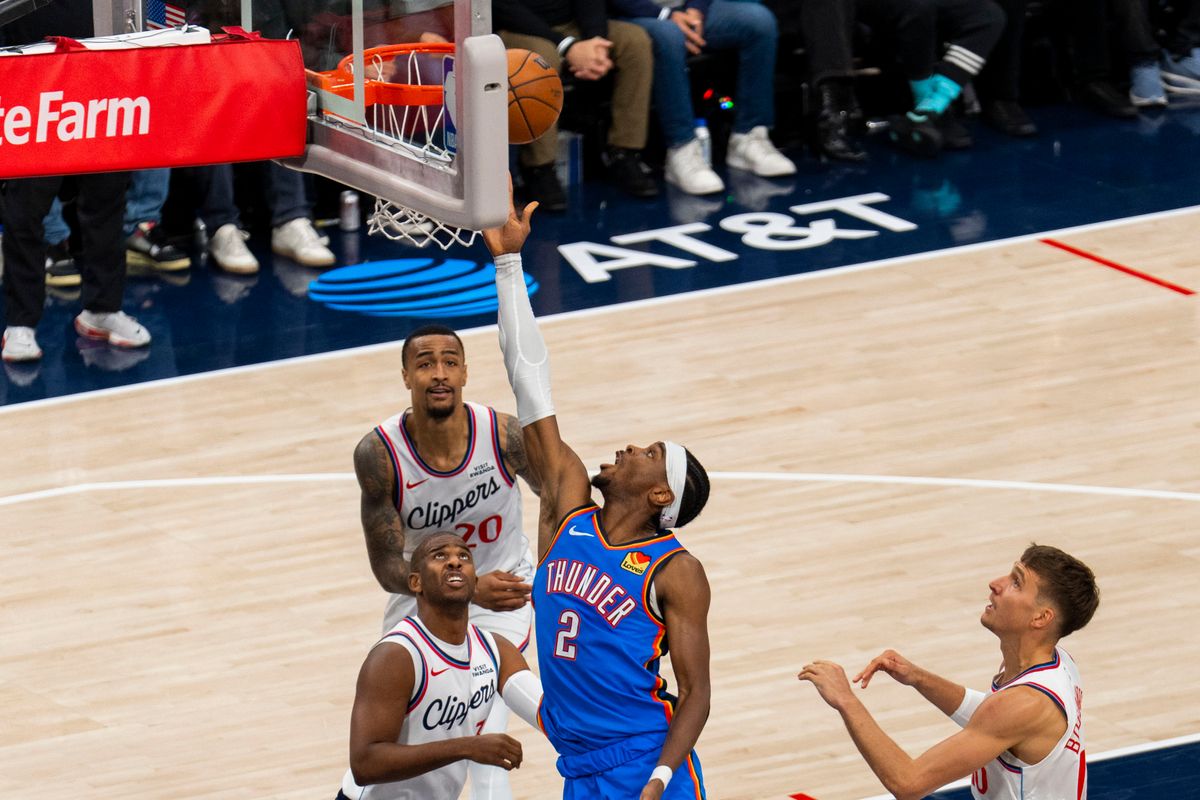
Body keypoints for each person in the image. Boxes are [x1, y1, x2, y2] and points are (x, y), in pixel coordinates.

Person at [484, 188, 714, 800]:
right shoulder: (567, 509)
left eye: (651, 453)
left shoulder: (677, 570)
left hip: (644, 761)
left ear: (662, 491)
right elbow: (532, 391)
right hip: (577, 765)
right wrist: (509, 265)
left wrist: (661, 778)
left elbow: (696, 693)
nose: (632, 447)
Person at [351, 322, 540, 800]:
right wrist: (466, 586)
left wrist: (556, 575)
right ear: (406, 376)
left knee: (487, 744)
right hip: (423, 596)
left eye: (449, 363)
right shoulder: (380, 453)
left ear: (464, 373)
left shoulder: (501, 434)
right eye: (425, 363)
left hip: (504, 601)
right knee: (396, 738)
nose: (439, 374)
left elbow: (560, 493)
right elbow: (386, 566)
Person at [798, 543, 1100, 800]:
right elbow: (992, 717)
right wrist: (918, 678)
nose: (996, 583)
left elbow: (908, 783)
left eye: (1016, 582)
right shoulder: (1054, 663)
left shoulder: (1026, 703)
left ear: (1040, 618)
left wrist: (845, 700)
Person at [335, 532, 544, 800]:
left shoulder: (496, 650)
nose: (454, 562)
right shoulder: (397, 655)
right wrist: (467, 747)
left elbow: (549, 712)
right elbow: (366, 763)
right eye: (440, 555)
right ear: (415, 582)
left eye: (464, 556)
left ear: (475, 580)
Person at [609, 0, 796, 195]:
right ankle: (681, 148)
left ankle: (748, 136)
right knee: (668, 36)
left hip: (687, 10)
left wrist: (696, 10)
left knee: (759, 21)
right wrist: (665, 15)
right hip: (635, 15)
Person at [494, 0, 658, 210]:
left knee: (635, 42)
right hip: (515, 29)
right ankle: (539, 167)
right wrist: (568, 46)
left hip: (570, 25)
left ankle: (624, 152)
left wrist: (596, 43)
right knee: (541, 58)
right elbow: (501, 7)